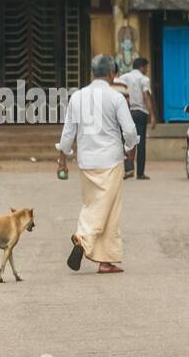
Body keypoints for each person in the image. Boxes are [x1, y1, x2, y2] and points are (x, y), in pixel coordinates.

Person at [57, 54, 139, 274]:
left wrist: (62, 160)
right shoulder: (116, 98)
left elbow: (68, 134)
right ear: (112, 73)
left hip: (86, 161)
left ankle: (106, 260)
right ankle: (82, 238)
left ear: (92, 72)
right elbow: (129, 131)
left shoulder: (77, 97)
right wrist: (131, 147)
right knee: (109, 209)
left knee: (93, 203)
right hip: (110, 160)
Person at [115, 57, 156, 179]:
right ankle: (140, 173)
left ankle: (128, 168)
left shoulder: (123, 78)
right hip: (140, 113)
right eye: (146, 67)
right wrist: (152, 115)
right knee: (140, 142)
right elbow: (146, 97)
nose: (147, 70)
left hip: (127, 112)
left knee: (127, 140)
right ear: (142, 67)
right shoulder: (144, 79)